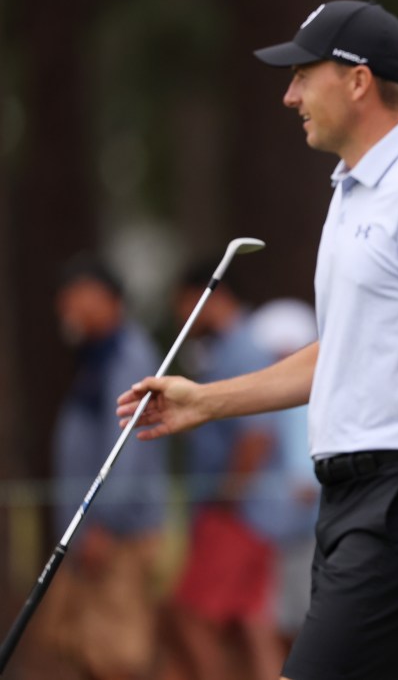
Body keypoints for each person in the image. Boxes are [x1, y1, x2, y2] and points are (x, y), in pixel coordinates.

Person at [117, 0, 398, 680]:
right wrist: (207, 401)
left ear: (356, 80)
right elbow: (341, 350)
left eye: (303, 76)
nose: (290, 95)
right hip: (348, 499)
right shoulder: (352, 194)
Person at [43, 255, 167, 680]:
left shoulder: (127, 357)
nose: (67, 308)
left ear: (107, 299)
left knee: (117, 652)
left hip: (117, 534)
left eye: (75, 297)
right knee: (83, 646)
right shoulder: (98, 356)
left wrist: (104, 525)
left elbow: (127, 448)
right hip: (95, 531)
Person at [162, 260, 283, 680]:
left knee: (190, 614)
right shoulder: (234, 345)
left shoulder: (241, 348)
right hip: (250, 511)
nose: (181, 315)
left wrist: (227, 498)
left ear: (206, 297)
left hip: (236, 513)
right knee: (251, 623)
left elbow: (257, 436)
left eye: (183, 303)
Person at [248, 298, 320, 650]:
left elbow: (302, 464)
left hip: (308, 522)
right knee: (285, 620)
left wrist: (306, 483)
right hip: (283, 525)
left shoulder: (310, 394)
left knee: (302, 620)